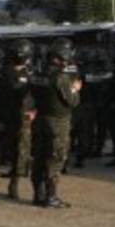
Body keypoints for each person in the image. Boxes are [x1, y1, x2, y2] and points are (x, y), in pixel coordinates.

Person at [30, 38, 83, 207]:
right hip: (58, 121)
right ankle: (51, 196)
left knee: (39, 158)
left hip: (41, 119)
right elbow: (72, 101)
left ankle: (38, 194)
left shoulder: (39, 75)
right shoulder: (60, 78)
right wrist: (75, 89)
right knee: (55, 158)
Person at [0, 39, 34, 200]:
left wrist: (35, 112)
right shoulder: (1, 74)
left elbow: (39, 97)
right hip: (2, 118)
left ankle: (14, 185)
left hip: (22, 119)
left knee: (20, 154)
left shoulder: (31, 74)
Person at [73, 48, 111, 168]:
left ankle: (80, 153)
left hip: (80, 104)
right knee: (86, 131)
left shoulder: (78, 73)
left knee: (77, 131)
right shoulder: (99, 74)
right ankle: (83, 154)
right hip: (91, 104)